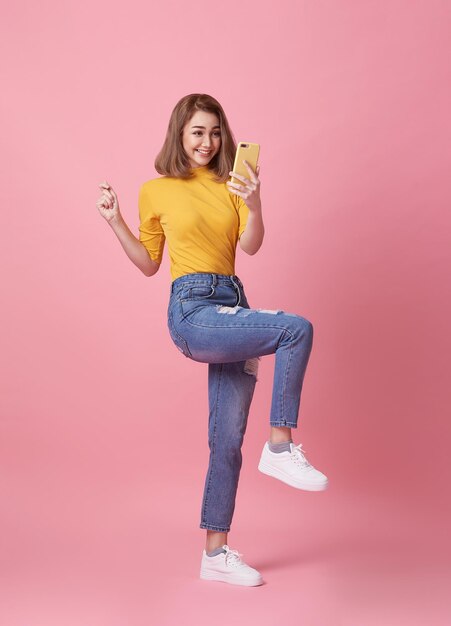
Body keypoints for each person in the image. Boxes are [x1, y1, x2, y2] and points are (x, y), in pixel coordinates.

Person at [96, 93, 328, 587]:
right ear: (180, 134)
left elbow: (251, 244)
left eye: (215, 132)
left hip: (232, 304)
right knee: (295, 328)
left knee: (226, 441)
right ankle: (282, 446)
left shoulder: (232, 185)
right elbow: (149, 264)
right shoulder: (154, 190)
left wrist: (254, 199)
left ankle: (214, 554)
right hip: (193, 309)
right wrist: (115, 220)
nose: (207, 141)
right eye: (198, 131)